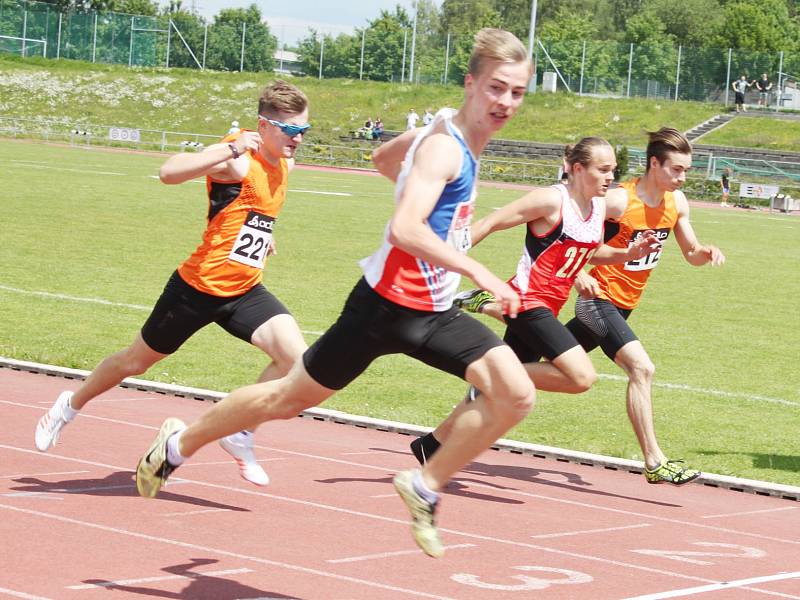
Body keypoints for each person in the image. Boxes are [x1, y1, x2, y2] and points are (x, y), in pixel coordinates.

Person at [134, 28, 535, 559]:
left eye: (517, 92)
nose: (505, 102)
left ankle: (423, 484)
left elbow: (382, 164)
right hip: (382, 309)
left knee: (516, 394)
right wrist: (482, 275)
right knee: (285, 399)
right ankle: (178, 445)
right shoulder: (445, 147)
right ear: (470, 83)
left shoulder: (448, 137)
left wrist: (408, 148)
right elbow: (405, 229)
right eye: (496, 88)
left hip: (433, 311)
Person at [35, 80, 313, 488]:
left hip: (244, 290)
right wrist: (234, 147)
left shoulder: (286, 163)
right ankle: (69, 404)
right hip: (196, 289)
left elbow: (247, 211)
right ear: (263, 125)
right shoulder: (237, 158)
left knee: (298, 361)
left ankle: (241, 432)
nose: (298, 138)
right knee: (134, 361)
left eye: (304, 129)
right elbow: (169, 172)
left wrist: (263, 232)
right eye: (290, 130)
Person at [452, 128, 725, 486]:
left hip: (625, 304)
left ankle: (458, 413)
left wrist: (702, 254)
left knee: (530, 366)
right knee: (641, 368)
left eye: (686, 170)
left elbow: (690, 253)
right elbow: (573, 236)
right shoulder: (616, 201)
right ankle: (655, 461)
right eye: (676, 169)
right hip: (598, 302)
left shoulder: (679, 203)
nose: (682, 177)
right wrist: (579, 272)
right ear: (654, 164)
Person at [410, 139, 659, 464]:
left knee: (498, 396)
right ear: (578, 168)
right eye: (603, 169)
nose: (611, 176)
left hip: (548, 307)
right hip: (527, 301)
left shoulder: (597, 207)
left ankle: (431, 445)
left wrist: (630, 253)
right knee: (581, 377)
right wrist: (449, 257)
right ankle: (488, 311)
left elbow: (591, 252)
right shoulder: (550, 200)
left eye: (614, 169)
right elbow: (493, 222)